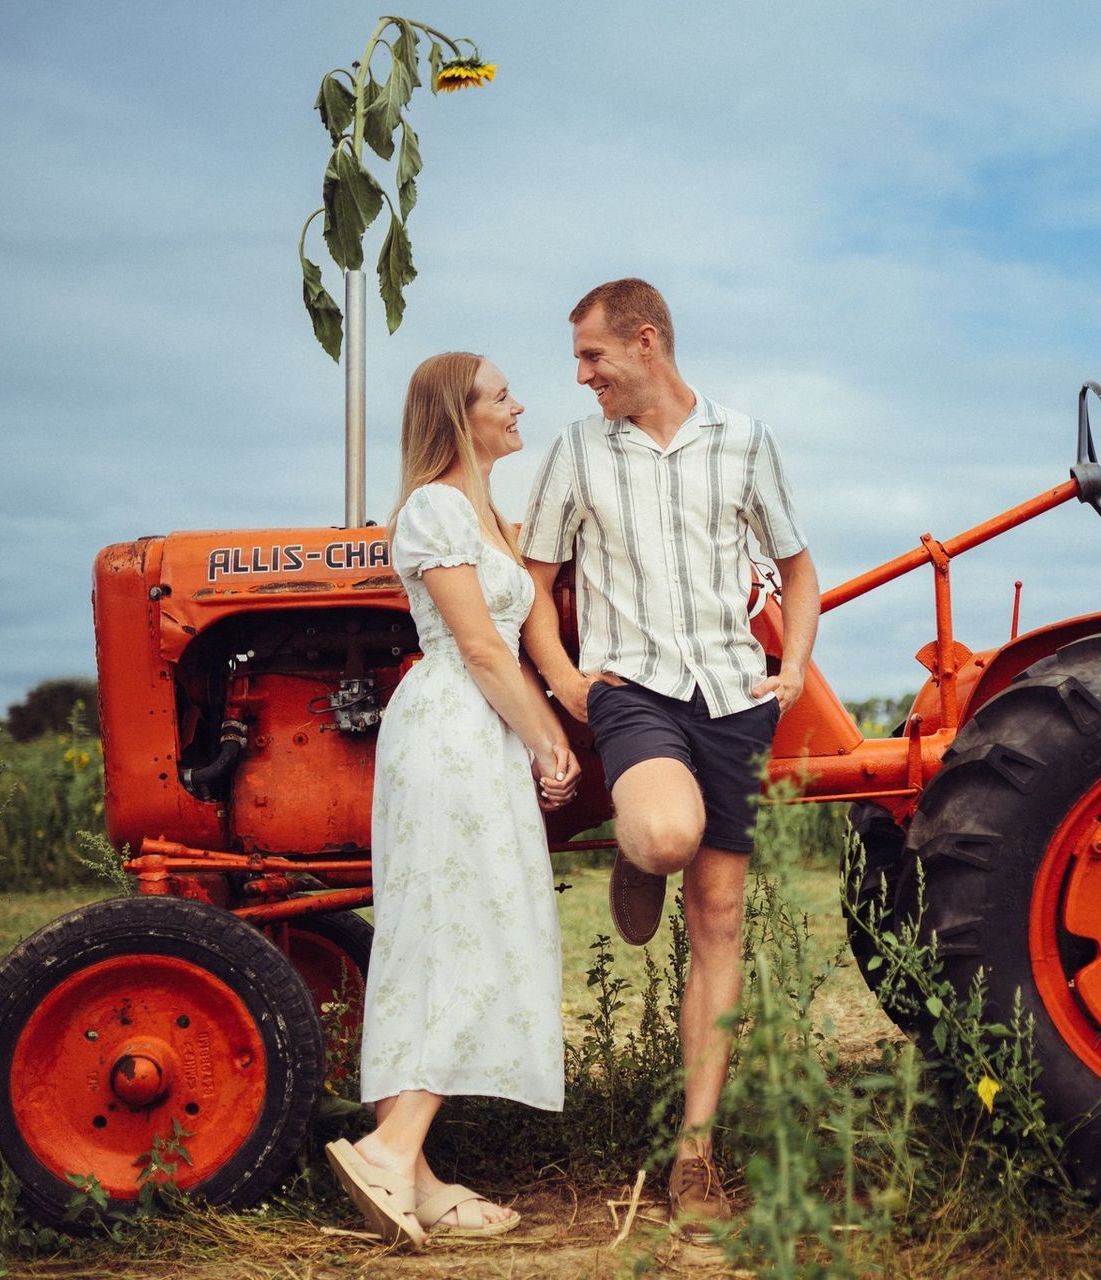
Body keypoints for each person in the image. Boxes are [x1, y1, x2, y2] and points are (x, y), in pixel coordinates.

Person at [520, 278, 819, 1237]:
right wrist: (565, 679)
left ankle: (695, 1155)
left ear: (646, 343)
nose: (581, 377)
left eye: (593, 357)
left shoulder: (744, 438)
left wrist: (796, 665)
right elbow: (536, 578)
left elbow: (798, 563)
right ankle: (638, 851)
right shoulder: (576, 451)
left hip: (734, 694)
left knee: (721, 915)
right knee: (666, 831)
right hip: (634, 689)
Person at [325, 352, 579, 1248]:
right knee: (471, 922)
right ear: (457, 414)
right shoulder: (435, 507)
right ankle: (392, 1150)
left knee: (438, 929)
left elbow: (526, 633)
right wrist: (550, 738)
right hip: (454, 727)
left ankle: (420, 1182)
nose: (519, 406)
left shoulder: (493, 521)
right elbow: (477, 646)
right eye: (501, 395)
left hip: (483, 733)